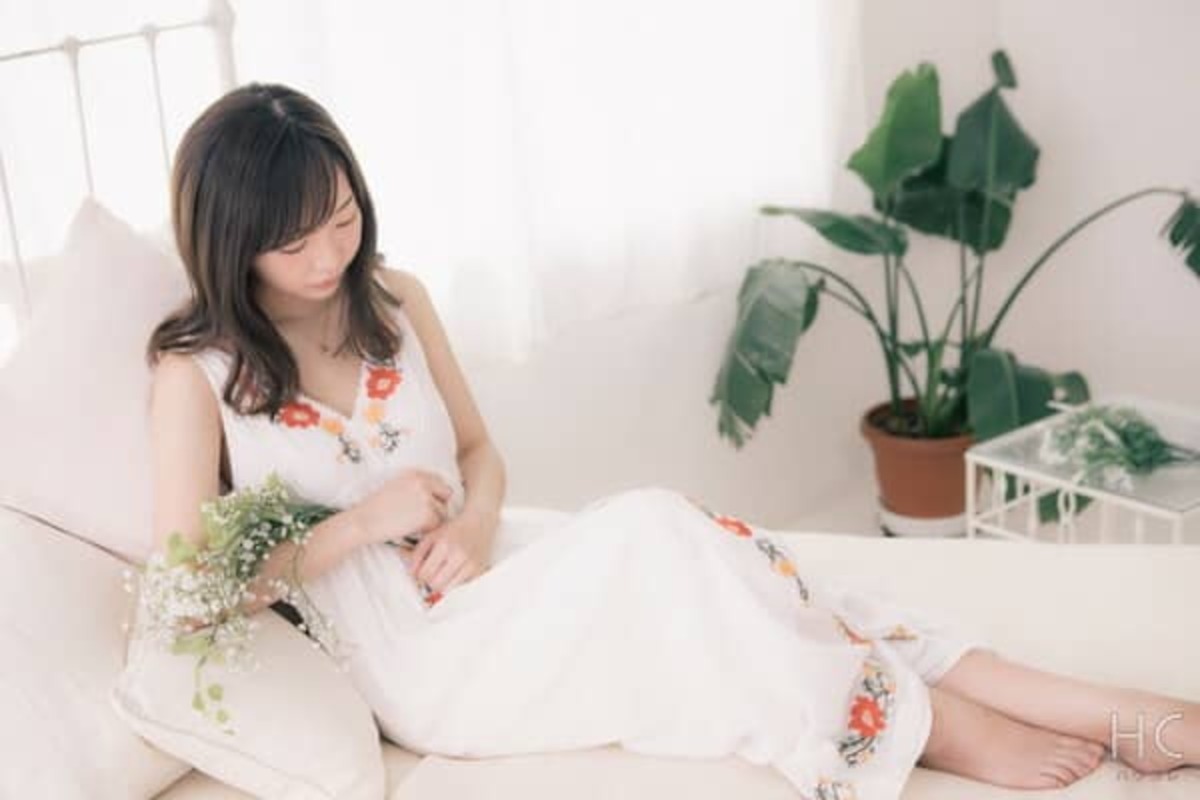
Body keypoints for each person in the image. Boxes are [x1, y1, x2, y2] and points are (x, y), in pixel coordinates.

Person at [145, 83, 1197, 800]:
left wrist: (473, 520)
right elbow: (191, 594)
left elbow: (479, 452)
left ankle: (1078, 702)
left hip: (496, 574)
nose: (328, 255)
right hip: (428, 663)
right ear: (233, 241)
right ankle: (934, 726)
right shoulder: (197, 377)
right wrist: (363, 523)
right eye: (294, 241)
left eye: (342, 218)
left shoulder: (394, 299)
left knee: (717, 562)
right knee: (661, 542)